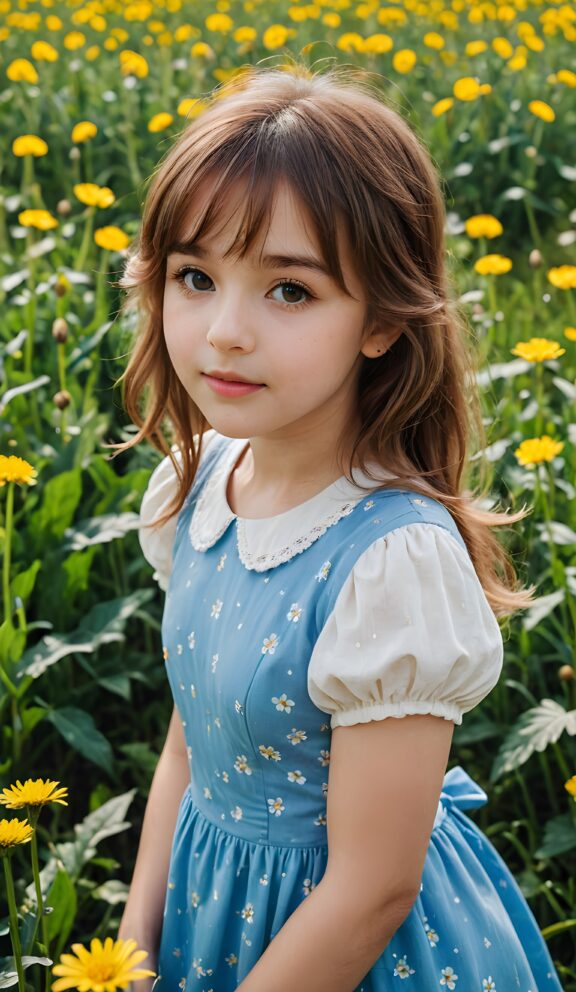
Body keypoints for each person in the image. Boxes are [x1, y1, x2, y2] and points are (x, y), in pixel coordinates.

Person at [111, 63, 563, 992]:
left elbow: (373, 887)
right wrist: (132, 945)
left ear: (384, 320)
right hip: (213, 913)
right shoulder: (197, 491)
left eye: (290, 291)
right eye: (196, 276)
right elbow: (190, 743)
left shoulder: (388, 561)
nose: (225, 331)